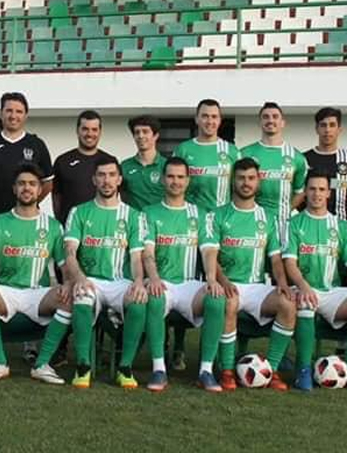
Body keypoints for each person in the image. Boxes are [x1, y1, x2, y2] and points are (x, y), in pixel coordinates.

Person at [0, 164, 69, 383]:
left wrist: (68, 283)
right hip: (6, 291)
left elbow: (65, 265)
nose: (27, 188)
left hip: (38, 292)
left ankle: (42, 364)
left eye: (32, 184)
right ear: (14, 189)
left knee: (68, 299)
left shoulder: (53, 226)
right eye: (22, 183)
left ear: (40, 189)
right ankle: (0, 362)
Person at [141, 157, 234, 392]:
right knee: (155, 295)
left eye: (180, 177)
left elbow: (209, 250)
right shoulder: (149, 212)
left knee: (216, 298)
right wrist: (152, 278)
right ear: (163, 179)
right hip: (162, 283)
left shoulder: (200, 214)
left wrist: (212, 279)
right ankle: (159, 369)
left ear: (188, 180)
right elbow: (147, 252)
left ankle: (206, 371)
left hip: (190, 285)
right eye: (171, 176)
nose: (175, 181)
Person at [204, 158, 295, 392]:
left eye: (251, 178)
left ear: (259, 181)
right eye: (241, 178)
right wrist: (223, 281)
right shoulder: (217, 215)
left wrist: (282, 283)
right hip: (229, 284)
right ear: (233, 180)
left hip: (257, 287)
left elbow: (275, 259)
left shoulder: (268, 217)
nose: (246, 183)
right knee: (230, 301)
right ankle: (226, 370)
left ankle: (270, 371)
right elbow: (212, 256)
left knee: (287, 304)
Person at [282, 171, 347, 392]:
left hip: (332, 293)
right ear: (305, 192)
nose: (316, 194)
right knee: (305, 303)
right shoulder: (293, 224)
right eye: (312, 189)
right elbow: (290, 264)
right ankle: (303, 369)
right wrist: (304, 286)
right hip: (304, 288)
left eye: (321, 189)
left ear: (329, 193)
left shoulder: (340, 226)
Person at [60, 155, 148, 389]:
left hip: (121, 281)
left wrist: (139, 281)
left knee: (138, 301)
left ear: (119, 179)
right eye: (101, 175)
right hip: (91, 280)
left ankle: (125, 367)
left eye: (111, 175)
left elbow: (137, 257)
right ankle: (83, 366)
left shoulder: (133, 216)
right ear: (94, 180)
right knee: (81, 298)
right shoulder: (79, 212)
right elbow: (70, 252)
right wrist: (78, 278)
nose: (106, 180)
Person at [0, 92, 53, 220]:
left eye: (19, 111)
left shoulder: (37, 144)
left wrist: (31, 201)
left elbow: (48, 183)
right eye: (9, 110)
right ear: (1, 113)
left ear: (26, 115)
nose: (13, 116)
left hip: (28, 217)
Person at [240, 102, 308, 244]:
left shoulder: (297, 158)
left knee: (279, 263)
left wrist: (286, 209)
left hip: (282, 225)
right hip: (250, 221)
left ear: (282, 123)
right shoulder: (244, 153)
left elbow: (300, 191)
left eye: (275, 117)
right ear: (260, 122)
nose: (270, 120)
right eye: (266, 117)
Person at [173, 99, 240, 213]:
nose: (209, 121)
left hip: (221, 218)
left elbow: (239, 188)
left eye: (214, 117)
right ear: (196, 119)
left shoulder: (232, 151)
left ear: (219, 121)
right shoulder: (183, 149)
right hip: (190, 217)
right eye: (205, 116)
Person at [52, 110, 111, 224]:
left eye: (94, 130)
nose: (89, 134)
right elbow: (56, 196)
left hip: (102, 227)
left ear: (100, 132)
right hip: (70, 227)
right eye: (85, 129)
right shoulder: (62, 161)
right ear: (77, 130)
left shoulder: (110, 162)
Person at [303, 107, 347, 223]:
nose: (327, 130)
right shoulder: (304, 159)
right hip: (309, 224)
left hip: (341, 225)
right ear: (316, 129)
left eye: (332, 125)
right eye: (323, 125)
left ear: (339, 129)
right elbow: (299, 192)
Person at [119, 115, 166, 211]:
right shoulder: (124, 166)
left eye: (145, 132)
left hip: (161, 222)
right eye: (137, 132)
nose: (141, 136)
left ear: (156, 136)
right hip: (133, 223)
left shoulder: (167, 166)